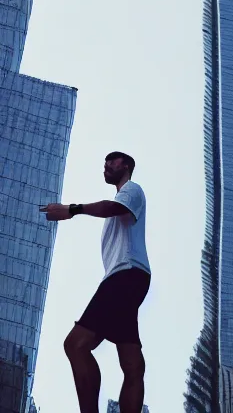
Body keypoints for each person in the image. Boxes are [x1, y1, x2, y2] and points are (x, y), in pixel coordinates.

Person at [40, 151, 151, 413]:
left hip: (125, 275)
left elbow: (111, 207)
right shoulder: (122, 201)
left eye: (112, 161)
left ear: (126, 166)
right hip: (131, 277)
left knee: (75, 345)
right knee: (132, 363)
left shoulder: (132, 190)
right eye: (104, 163)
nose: (106, 166)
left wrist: (71, 210)